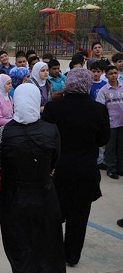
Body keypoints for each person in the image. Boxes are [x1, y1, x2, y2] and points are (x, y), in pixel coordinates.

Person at [43, 69, 110, 266]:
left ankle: (53, 252)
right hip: (85, 169)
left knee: (54, 213)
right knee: (79, 216)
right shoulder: (98, 109)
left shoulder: (53, 107)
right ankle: (71, 256)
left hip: (58, 169)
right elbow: (103, 139)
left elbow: (46, 138)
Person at [0, 83, 65, 273]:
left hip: (13, 197)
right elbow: (54, 160)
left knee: (19, 247)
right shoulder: (51, 130)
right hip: (44, 195)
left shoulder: (4, 132)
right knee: (47, 247)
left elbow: (0, 162)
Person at [96, 65, 123, 179]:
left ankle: (120, 168)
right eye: (111, 73)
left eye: (115, 73)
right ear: (106, 75)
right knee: (110, 147)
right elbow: (100, 108)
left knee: (121, 146)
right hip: (111, 123)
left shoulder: (122, 87)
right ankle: (111, 169)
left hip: (122, 122)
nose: (113, 76)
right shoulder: (103, 91)